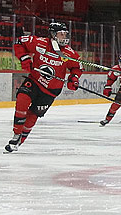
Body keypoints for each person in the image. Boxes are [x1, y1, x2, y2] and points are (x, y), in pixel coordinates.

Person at [6, 20, 83, 152]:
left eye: (65, 34)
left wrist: (73, 79)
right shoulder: (40, 43)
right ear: (53, 35)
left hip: (51, 91)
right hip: (35, 81)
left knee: (33, 114)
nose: (65, 37)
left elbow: (77, 67)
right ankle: (16, 134)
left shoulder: (69, 53)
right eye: (61, 34)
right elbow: (19, 42)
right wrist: (24, 58)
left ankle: (20, 140)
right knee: (22, 100)